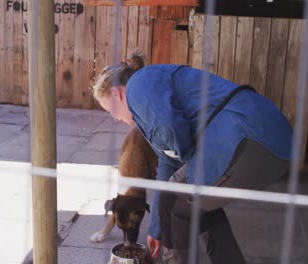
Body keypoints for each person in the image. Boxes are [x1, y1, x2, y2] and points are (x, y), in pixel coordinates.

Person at [92, 53, 292, 264]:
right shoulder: (145, 114)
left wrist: (191, 162)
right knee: (200, 206)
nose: (115, 118)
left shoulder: (139, 84)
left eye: (111, 110)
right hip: (271, 141)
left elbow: (170, 125)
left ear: (117, 93)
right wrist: (156, 229)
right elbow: (167, 166)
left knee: (176, 203)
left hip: (247, 133)